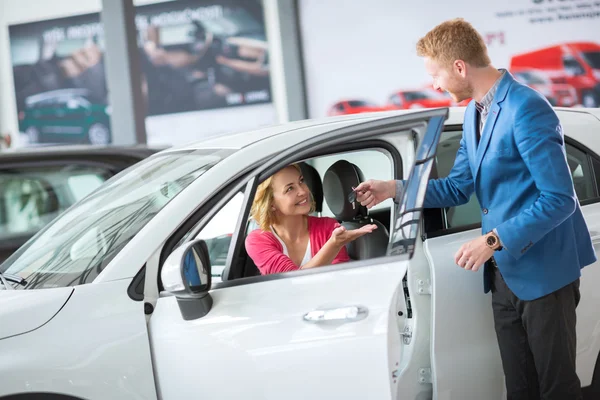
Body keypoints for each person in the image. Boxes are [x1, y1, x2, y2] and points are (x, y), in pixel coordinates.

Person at [354, 18, 595, 400]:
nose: (434, 84)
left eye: (435, 75)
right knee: (518, 389)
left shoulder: (527, 107)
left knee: (557, 390)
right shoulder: (473, 115)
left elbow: (559, 198)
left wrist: (493, 239)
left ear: (459, 67)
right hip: (503, 275)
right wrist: (394, 189)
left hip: (545, 271)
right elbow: (457, 187)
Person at [245, 164, 377, 275]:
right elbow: (291, 283)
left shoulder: (329, 228)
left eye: (301, 181)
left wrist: (335, 243)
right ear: (271, 203)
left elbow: (338, 282)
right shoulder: (257, 240)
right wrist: (333, 245)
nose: (303, 191)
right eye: (290, 188)